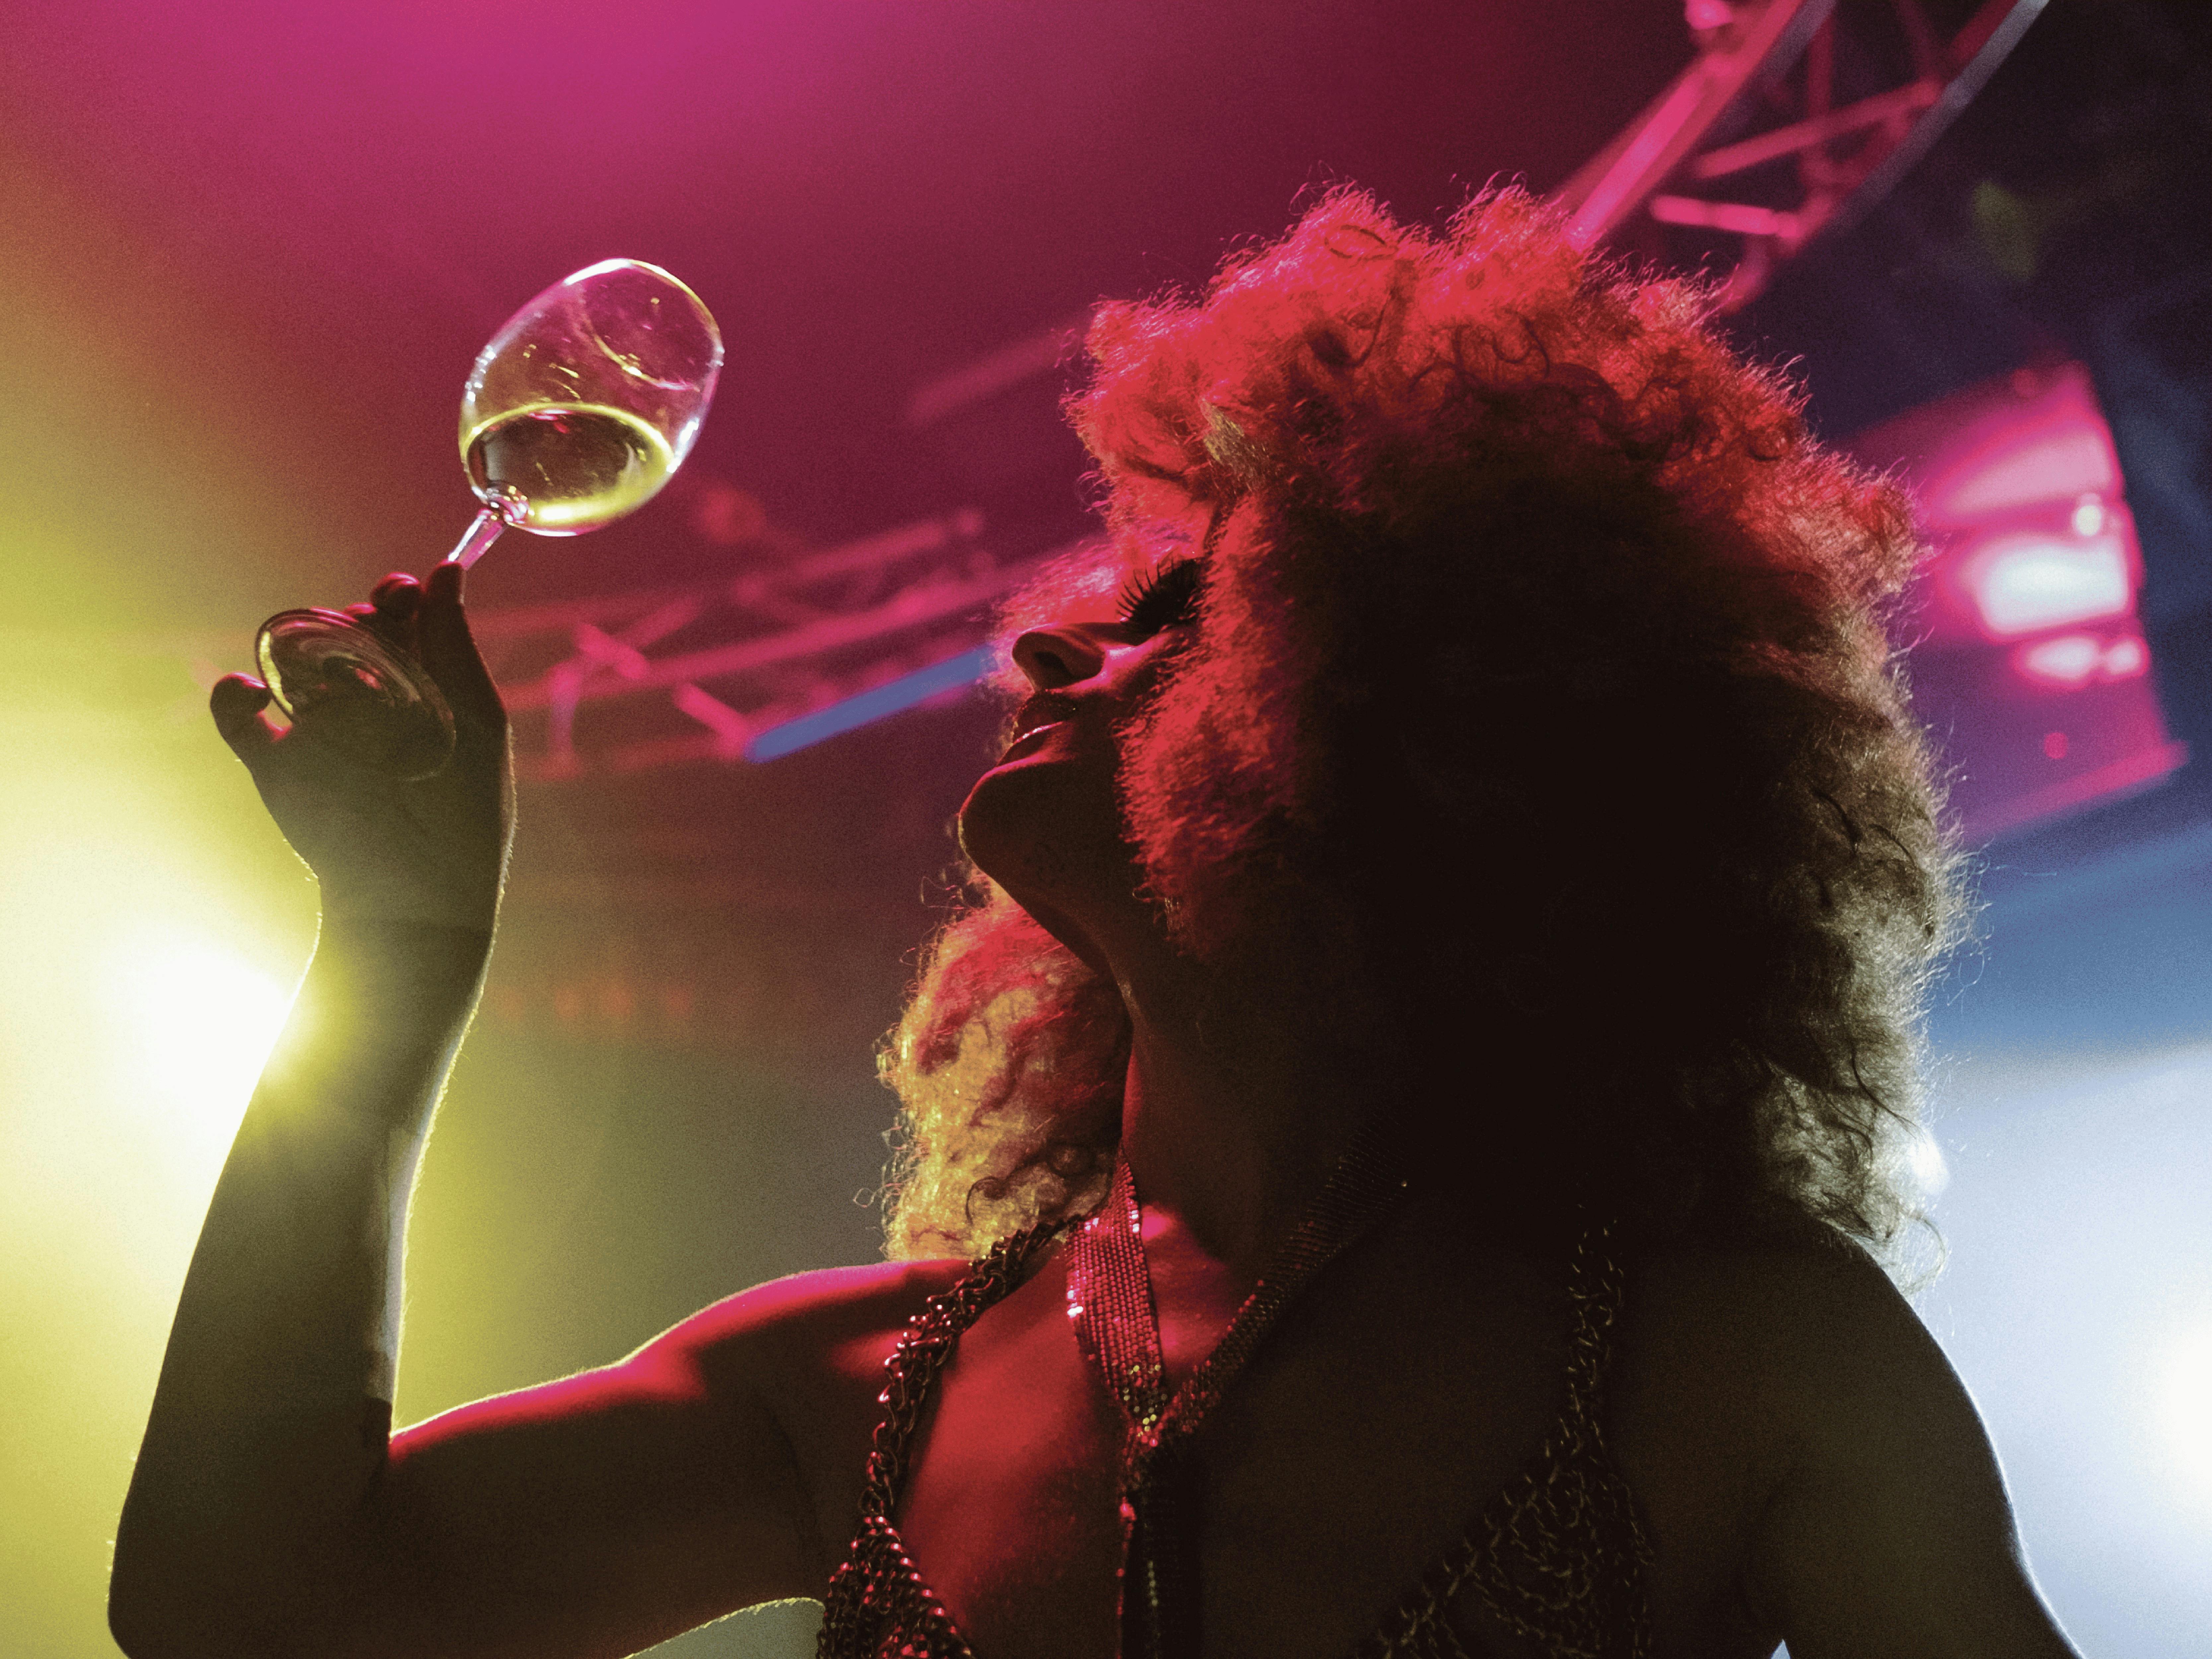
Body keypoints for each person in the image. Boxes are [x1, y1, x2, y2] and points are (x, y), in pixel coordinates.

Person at [110, 187, 2085, 1659]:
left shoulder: (1740, 1357)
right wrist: (398, 952)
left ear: (1440, 741)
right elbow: (243, 1607)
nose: (1054, 641)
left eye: (1178, 615)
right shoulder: (860, 1390)